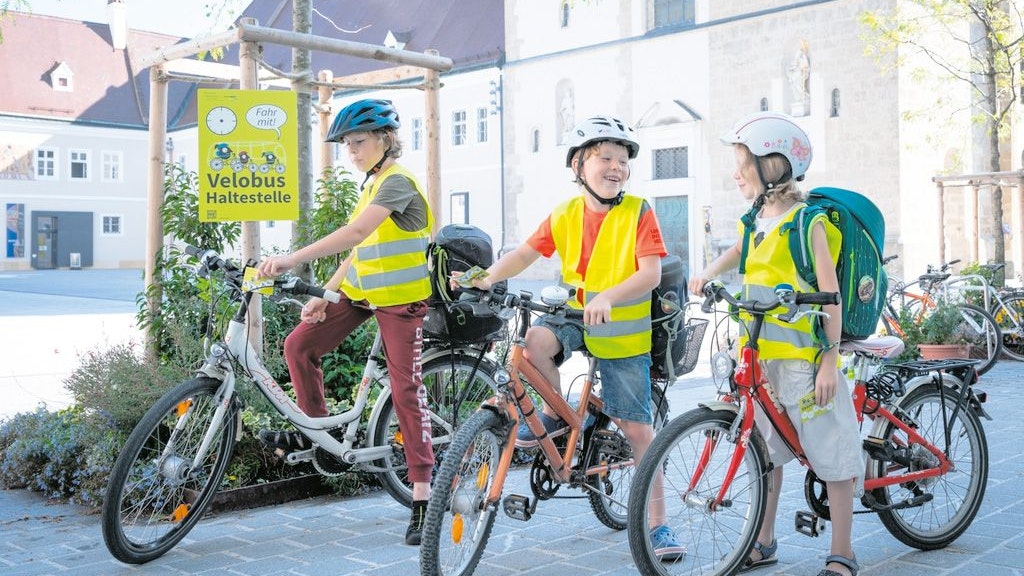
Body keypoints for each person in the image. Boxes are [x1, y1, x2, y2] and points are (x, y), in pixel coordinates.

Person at [457, 116, 685, 561]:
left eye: (623, 160)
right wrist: (485, 276)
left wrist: (611, 298)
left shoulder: (638, 211)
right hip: (575, 315)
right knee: (535, 343)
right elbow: (526, 253)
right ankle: (555, 415)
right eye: (606, 157)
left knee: (637, 429)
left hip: (622, 330)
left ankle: (658, 523)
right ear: (579, 165)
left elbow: (650, 273)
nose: (616, 166)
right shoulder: (565, 213)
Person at [688, 111, 861, 576]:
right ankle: (763, 541)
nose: (736, 171)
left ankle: (842, 551)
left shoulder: (809, 223)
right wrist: (707, 273)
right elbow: (740, 250)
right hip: (762, 360)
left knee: (832, 453)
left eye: (743, 162)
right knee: (766, 452)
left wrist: (829, 360)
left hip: (805, 362)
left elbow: (830, 295)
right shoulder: (755, 218)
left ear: (774, 166)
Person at [256, 99, 434, 546]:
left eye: (358, 142)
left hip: (400, 302)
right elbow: (361, 249)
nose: (350, 151)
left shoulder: (398, 182)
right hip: (360, 294)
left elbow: (355, 234)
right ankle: (319, 435)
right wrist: (327, 294)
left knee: (405, 390)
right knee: (299, 346)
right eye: (346, 145)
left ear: (386, 140)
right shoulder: (372, 182)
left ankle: (422, 496)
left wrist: (291, 261)